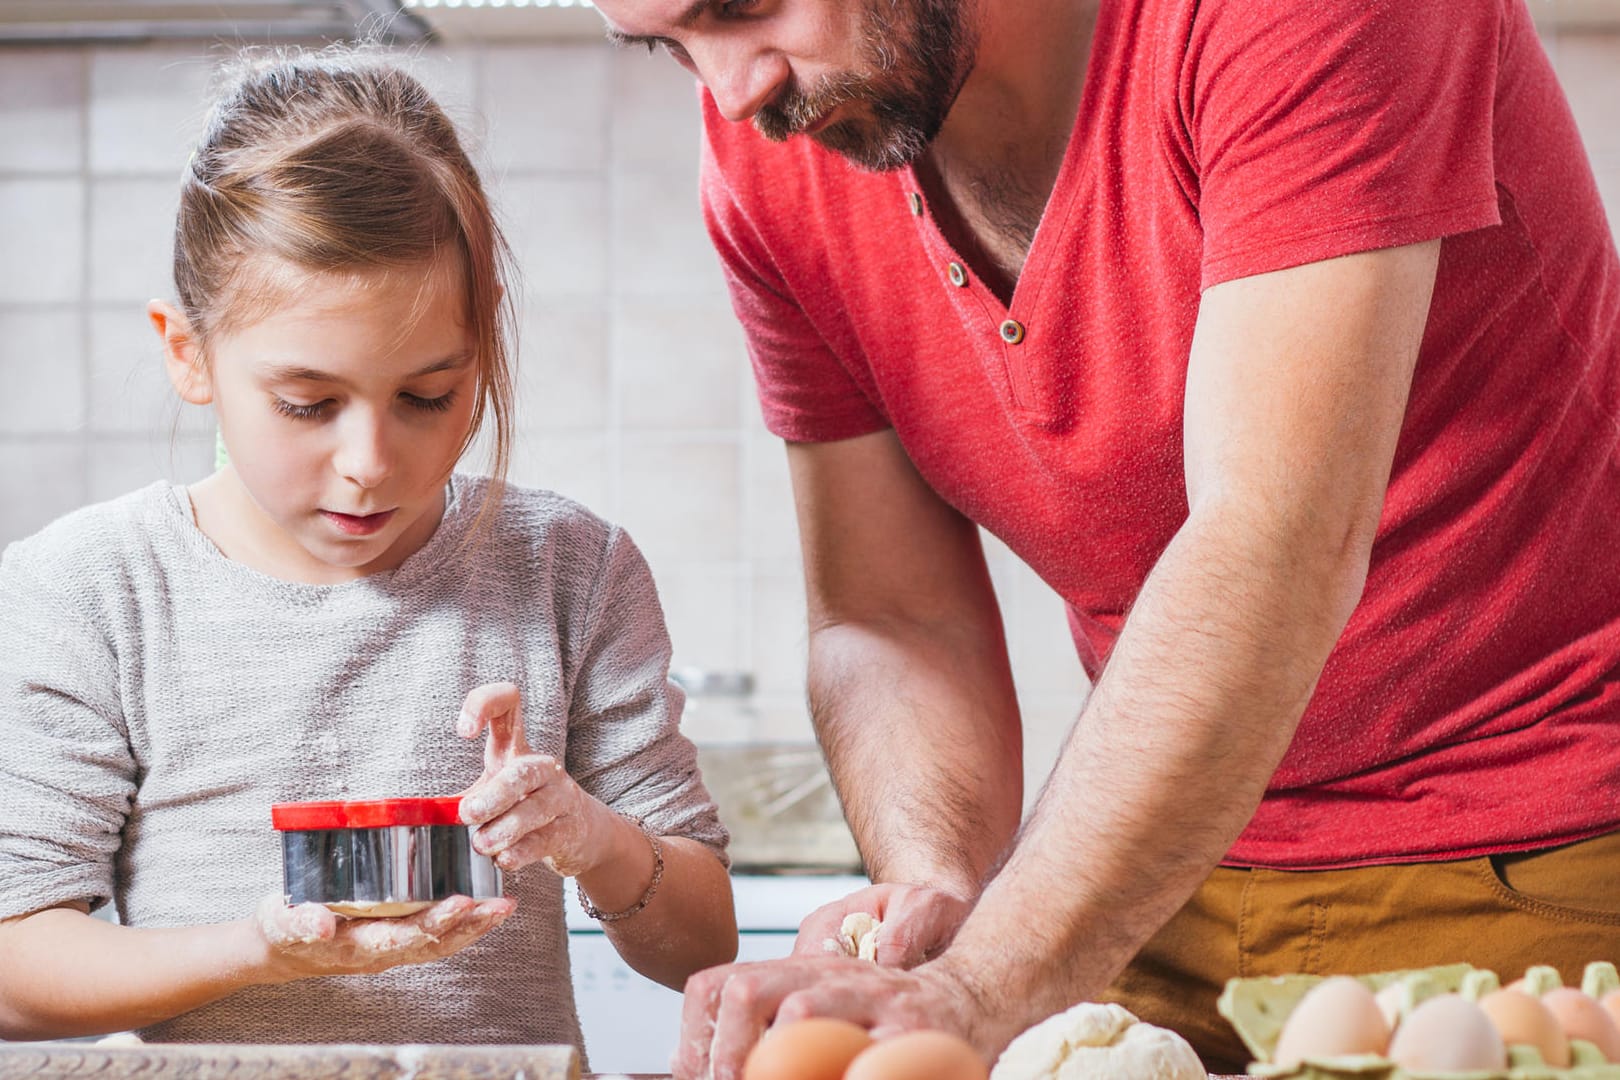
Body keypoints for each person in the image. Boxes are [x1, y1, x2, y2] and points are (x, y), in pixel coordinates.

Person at [588, 0, 1620, 1075]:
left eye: (744, 8)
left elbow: (1272, 541)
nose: (729, 92)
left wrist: (981, 985)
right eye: (668, 45)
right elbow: (891, 613)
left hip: (1522, 863)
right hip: (1148, 890)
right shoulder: (777, 153)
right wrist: (932, 886)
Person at [0, 48, 737, 1054]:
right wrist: (261, 951)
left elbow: (702, 943)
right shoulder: (90, 592)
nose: (370, 463)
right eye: (309, 404)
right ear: (189, 352)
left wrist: (594, 840)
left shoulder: (570, 566)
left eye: (428, 396)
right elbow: (13, 965)